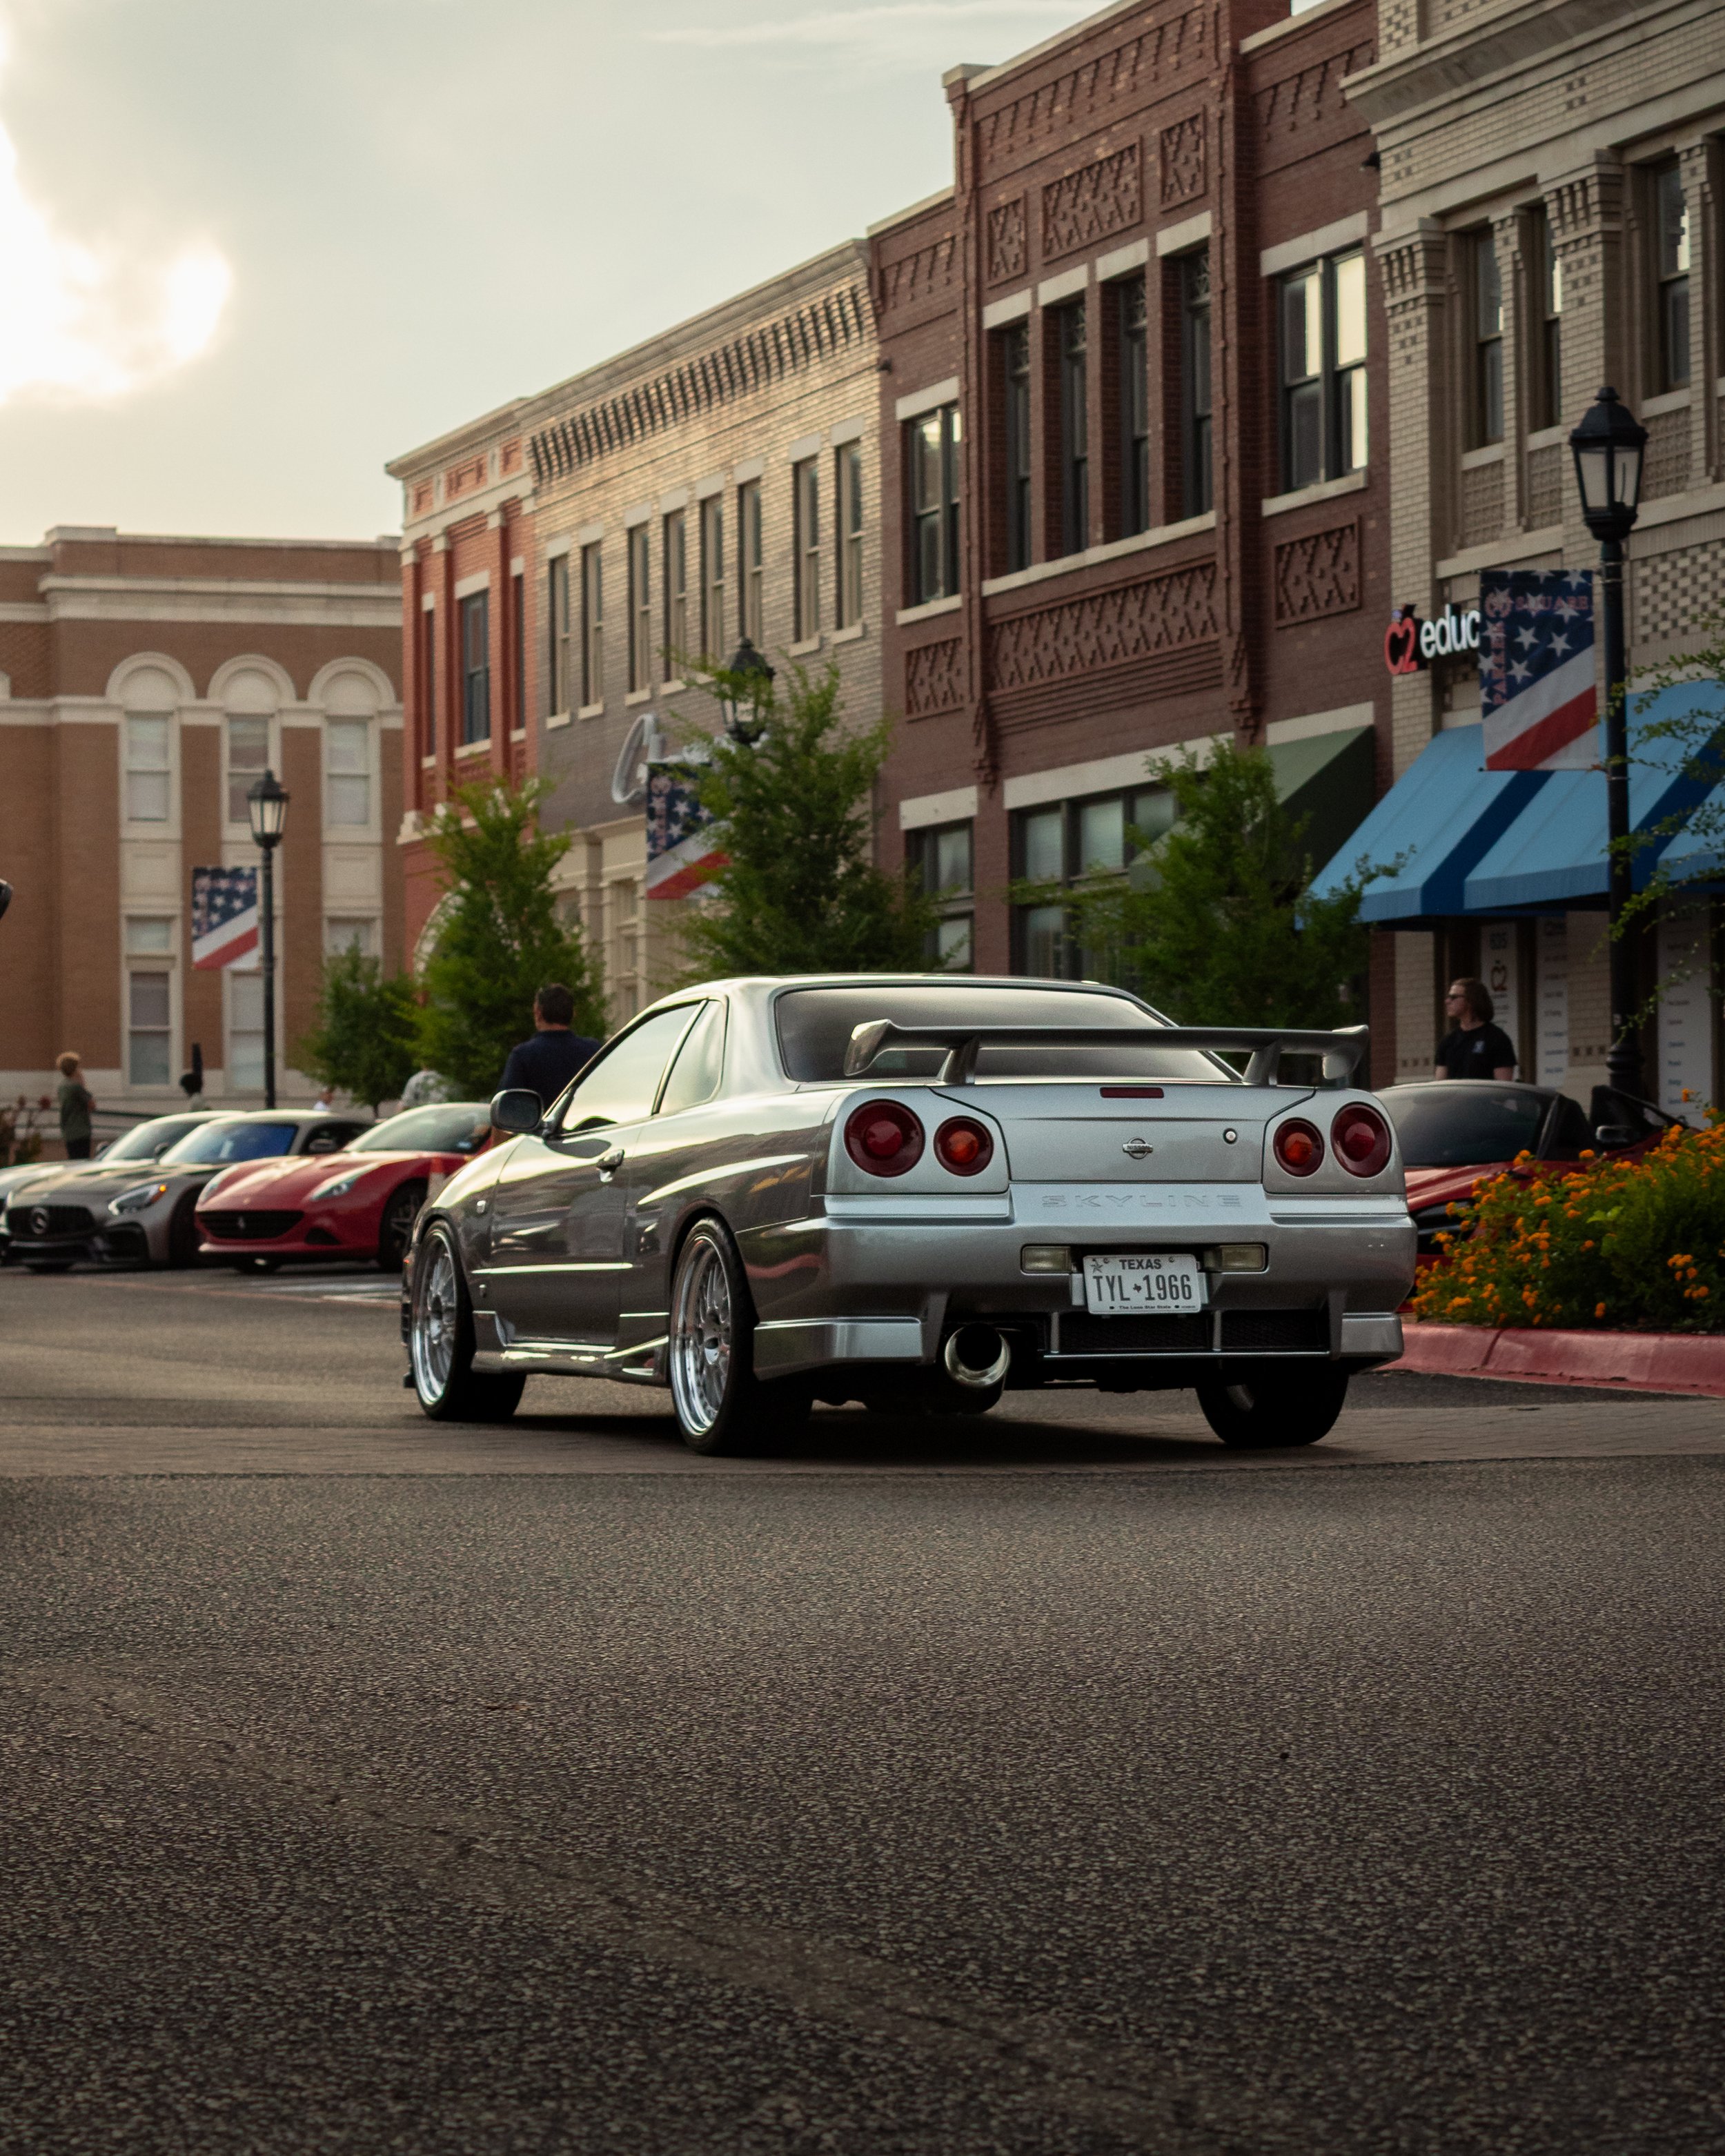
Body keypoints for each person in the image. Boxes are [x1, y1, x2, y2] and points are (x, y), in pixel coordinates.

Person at [500, 983, 601, 1110]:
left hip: (542, 1129)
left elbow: (507, 1110)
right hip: (590, 1127)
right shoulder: (594, 1050)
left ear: (538, 1013)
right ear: (573, 1014)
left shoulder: (523, 1055)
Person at [1435, 978, 1517, 1080]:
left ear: (1471, 1000)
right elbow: (1441, 1085)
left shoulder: (1496, 1039)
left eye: (1453, 997)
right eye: (1448, 997)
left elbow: (1503, 1086)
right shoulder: (1448, 1041)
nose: (1447, 1001)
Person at [55, 1051, 94, 1159]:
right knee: (82, 1160)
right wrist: (82, 1084)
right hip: (81, 1131)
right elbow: (91, 1105)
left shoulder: (62, 1087)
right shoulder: (76, 1087)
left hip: (68, 1131)